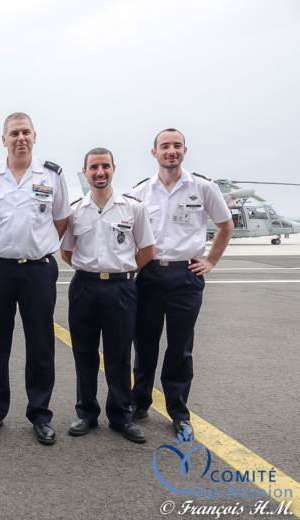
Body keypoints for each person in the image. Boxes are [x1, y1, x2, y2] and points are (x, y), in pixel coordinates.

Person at [0, 112, 70, 444]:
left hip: (38, 269)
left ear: (35, 135)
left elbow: (60, 221)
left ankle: (40, 415)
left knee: (40, 344)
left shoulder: (53, 175)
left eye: (26, 132)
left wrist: (34, 247)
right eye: (14, 133)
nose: (20, 138)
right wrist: (4, 249)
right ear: (4, 139)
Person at [130, 129, 234, 437]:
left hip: (185, 276)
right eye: (165, 146)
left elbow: (225, 225)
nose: (171, 151)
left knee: (180, 346)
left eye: (176, 146)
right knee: (144, 343)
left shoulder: (203, 188)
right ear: (154, 153)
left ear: (185, 150)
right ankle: (140, 403)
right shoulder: (140, 191)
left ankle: (178, 411)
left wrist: (211, 260)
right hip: (147, 275)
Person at [60, 148, 155, 443]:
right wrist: (91, 270)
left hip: (121, 289)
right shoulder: (75, 211)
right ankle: (86, 413)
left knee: (119, 354)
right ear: (86, 172)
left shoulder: (133, 208)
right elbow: (66, 251)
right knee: (84, 353)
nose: (100, 172)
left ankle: (120, 416)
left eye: (105, 166)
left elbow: (147, 250)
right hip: (84, 287)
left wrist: (123, 273)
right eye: (94, 167)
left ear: (114, 168)